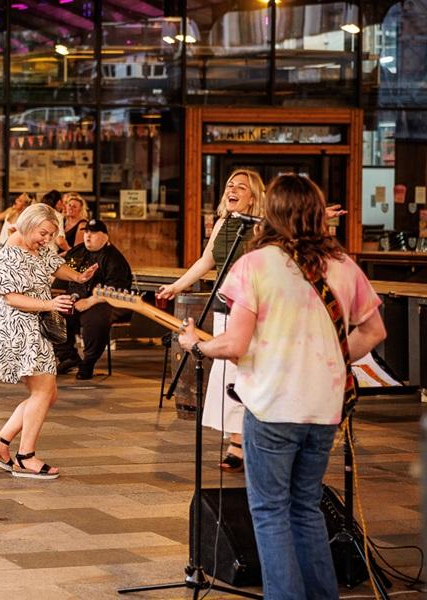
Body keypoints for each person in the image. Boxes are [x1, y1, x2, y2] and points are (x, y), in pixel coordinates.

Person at [178, 174, 385, 600]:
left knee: (270, 512)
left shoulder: (255, 264)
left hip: (273, 407)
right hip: (324, 408)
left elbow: (234, 344)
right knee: (305, 507)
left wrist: (195, 345)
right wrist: (333, 359)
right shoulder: (343, 264)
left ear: (270, 212)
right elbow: (375, 331)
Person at [0, 204, 98, 480]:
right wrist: (49, 302)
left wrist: (78, 276)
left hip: (35, 327)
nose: (47, 239)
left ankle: (0, 443)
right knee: (44, 392)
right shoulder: (9, 255)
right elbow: (11, 297)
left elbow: (53, 264)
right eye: (44, 233)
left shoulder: (37, 247)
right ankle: (25, 456)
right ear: (28, 224)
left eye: (51, 235)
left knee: (47, 393)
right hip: (20, 328)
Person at [158, 169, 265, 472]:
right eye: (230, 186)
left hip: (252, 307)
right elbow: (206, 261)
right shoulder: (222, 223)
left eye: (241, 188)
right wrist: (177, 286)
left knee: (250, 372)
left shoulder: (262, 228)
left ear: (253, 197)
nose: (232, 191)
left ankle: (254, 440)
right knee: (227, 374)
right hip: (224, 306)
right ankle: (236, 442)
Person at [53, 219, 134, 380]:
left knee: (94, 318)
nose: (88, 236)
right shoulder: (77, 252)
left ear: (105, 236)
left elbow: (115, 291)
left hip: (106, 302)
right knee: (54, 312)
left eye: (94, 233)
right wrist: (62, 298)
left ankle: (88, 363)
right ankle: (68, 357)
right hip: (76, 299)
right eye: (86, 232)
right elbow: (62, 280)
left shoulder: (114, 259)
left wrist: (89, 301)